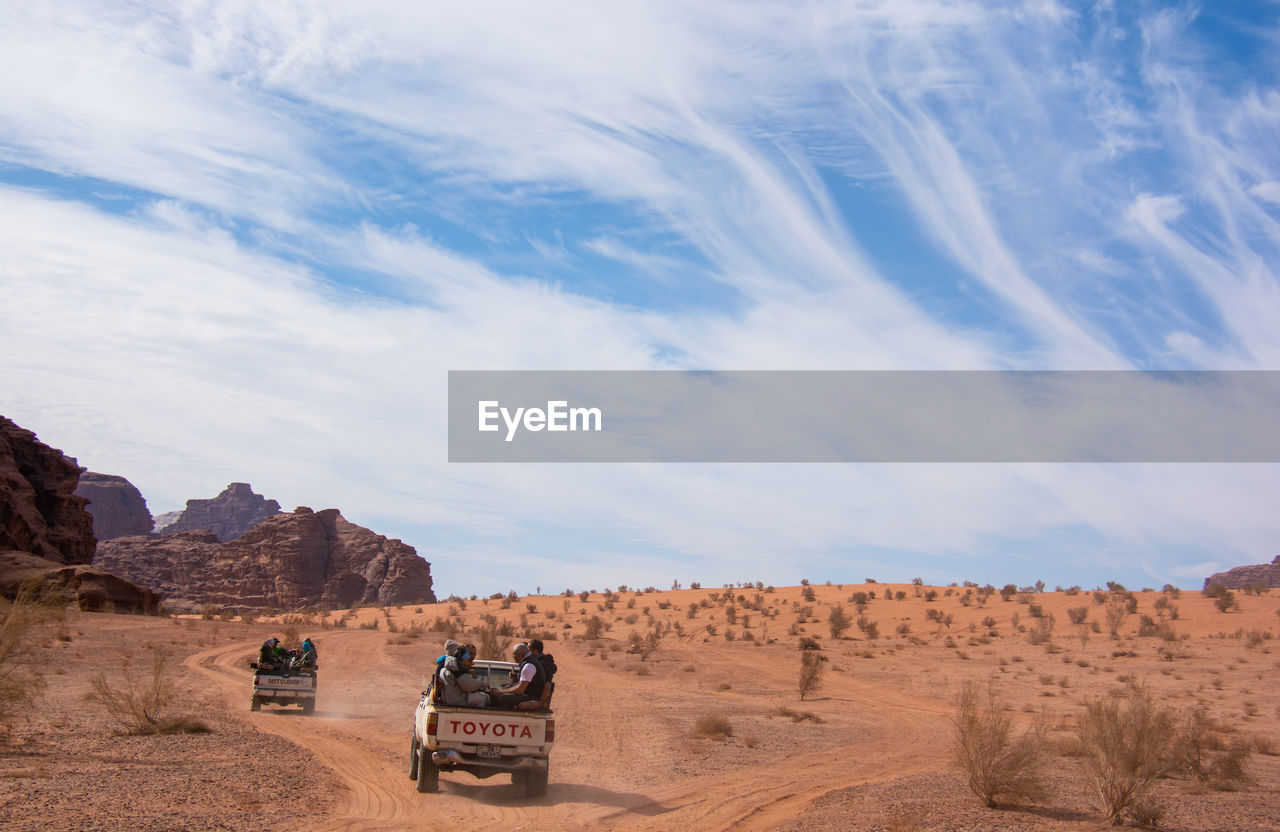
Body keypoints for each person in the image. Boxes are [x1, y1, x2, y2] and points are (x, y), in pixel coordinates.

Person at [437, 640, 490, 708]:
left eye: (474, 654)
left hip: (450, 699)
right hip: (457, 700)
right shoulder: (456, 667)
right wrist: (481, 684)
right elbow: (468, 685)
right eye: (469, 654)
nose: (471, 657)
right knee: (483, 698)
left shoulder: (446, 665)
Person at [493, 642, 547, 709]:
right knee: (502, 688)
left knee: (504, 697)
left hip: (531, 696)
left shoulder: (528, 666)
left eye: (514, 655)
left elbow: (520, 689)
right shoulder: (527, 663)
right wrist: (502, 689)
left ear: (520, 655)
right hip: (527, 693)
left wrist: (502, 691)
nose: (513, 657)